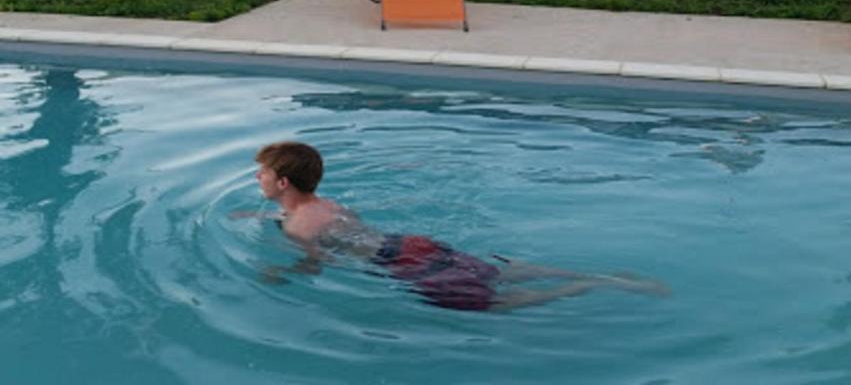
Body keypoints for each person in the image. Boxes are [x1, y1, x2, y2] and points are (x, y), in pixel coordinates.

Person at [240, 141, 669, 312]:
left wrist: (281, 274)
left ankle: (585, 287)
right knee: (496, 273)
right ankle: (597, 276)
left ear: (283, 183)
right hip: (410, 245)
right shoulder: (324, 205)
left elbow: (317, 264)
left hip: (400, 266)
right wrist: (263, 218)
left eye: (262, 173)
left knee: (494, 304)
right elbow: (323, 225)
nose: (257, 178)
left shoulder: (298, 228)